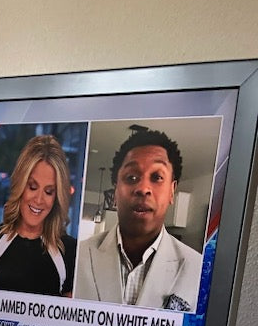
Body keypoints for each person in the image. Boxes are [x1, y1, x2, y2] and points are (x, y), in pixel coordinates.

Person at [75, 128, 202, 311]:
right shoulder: (79, 256)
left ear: (172, 191)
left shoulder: (198, 270)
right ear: (116, 190)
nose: (143, 188)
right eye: (131, 177)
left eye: (157, 177)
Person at [0, 134, 76, 297]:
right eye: (32, 187)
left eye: (48, 192)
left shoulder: (70, 252)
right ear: (20, 185)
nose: (39, 200)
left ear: (57, 197)